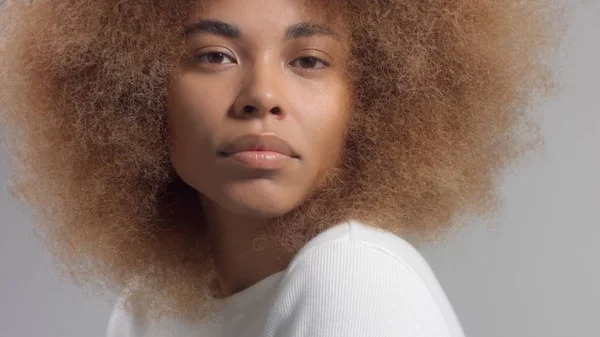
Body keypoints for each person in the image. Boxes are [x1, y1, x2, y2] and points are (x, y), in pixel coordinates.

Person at [0, 0, 566, 336]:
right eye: (214, 55)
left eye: (308, 61)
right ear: (136, 89)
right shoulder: (146, 310)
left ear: (368, 98)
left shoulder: (349, 276)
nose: (262, 96)